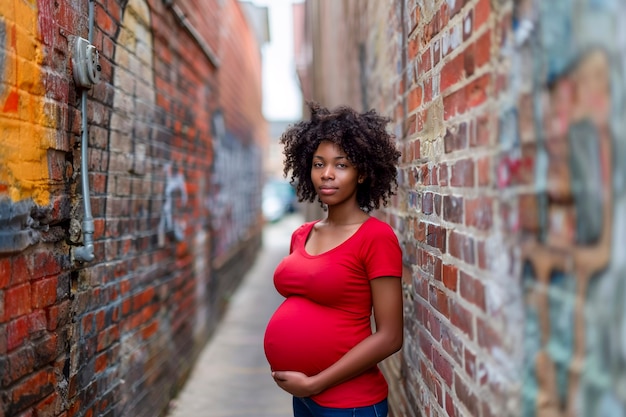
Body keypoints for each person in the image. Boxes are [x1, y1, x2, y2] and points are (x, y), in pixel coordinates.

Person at [263, 102, 404, 417]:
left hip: (349, 404)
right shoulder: (302, 234)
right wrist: (305, 388)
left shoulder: (376, 238)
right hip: (303, 399)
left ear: (363, 173)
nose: (327, 174)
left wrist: (315, 383)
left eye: (341, 165)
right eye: (318, 164)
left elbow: (390, 336)